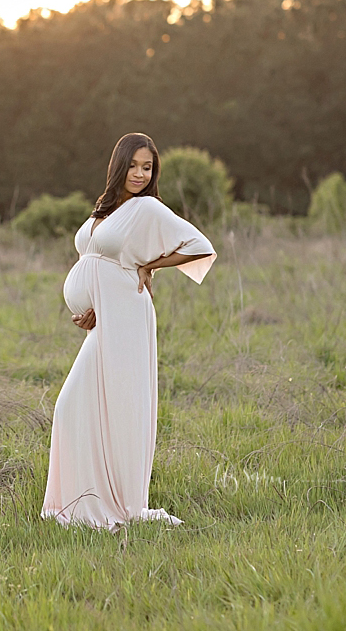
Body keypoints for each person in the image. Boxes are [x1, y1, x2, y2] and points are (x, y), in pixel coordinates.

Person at [41, 133, 216, 530]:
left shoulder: (147, 207)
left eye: (147, 167)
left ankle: (115, 503)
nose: (140, 173)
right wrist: (90, 308)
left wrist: (148, 266)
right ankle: (80, 502)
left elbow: (199, 245)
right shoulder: (105, 208)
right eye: (134, 165)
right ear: (119, 164)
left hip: (128, 318)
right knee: (77, 408)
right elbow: (96, 261)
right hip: (105, 320)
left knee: (97, 407)